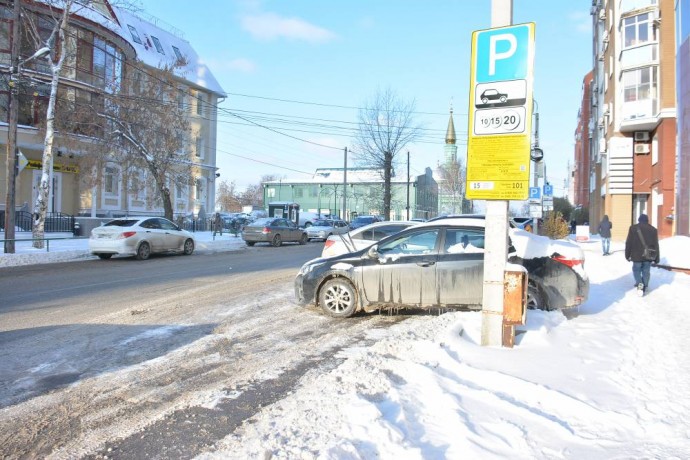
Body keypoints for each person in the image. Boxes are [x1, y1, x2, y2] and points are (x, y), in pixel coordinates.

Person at [624, 214, 660, 296]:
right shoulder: (653, 229)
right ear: (647, 220)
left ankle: (640, 285)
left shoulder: (633, 228)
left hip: (636, 255)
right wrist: (657, 258)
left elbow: (629, 242)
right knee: (646, 271)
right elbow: (656, 244)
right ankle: (645, 285)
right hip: (649, 255)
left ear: (639, 220)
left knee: (636, 270)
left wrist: (627, 254)